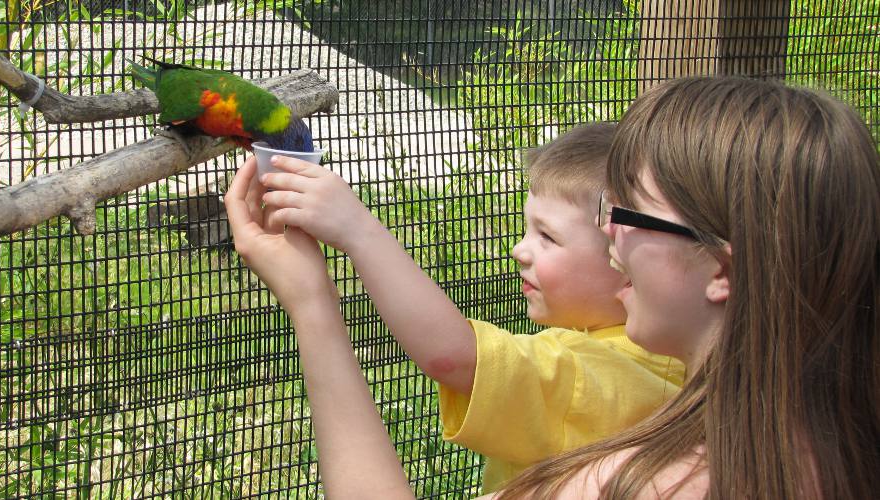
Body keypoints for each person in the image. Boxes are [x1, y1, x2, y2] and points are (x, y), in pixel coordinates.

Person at [226, 76, 878, 498]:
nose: (611, 240)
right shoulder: (837, 445)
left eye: (625, 216)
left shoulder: (634, 475)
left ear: (724, 271)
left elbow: (454, 356)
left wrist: (320, 293)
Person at [252, 122, 684, 492]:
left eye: (548, 238)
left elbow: (455, 356)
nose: (520, 250)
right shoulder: (659, 356)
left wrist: (357, 231)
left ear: (625, 259)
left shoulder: (611, 375)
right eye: (528, 230)